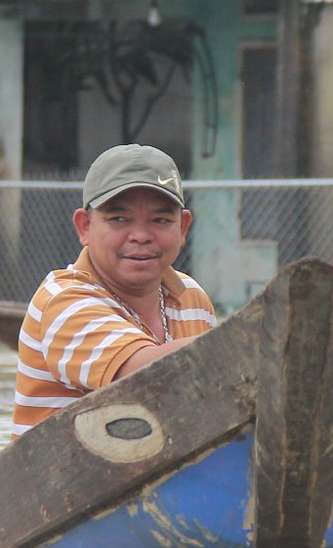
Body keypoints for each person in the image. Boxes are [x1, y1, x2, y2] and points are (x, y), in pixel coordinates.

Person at [12, 144, 218, 437]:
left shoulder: (192, 296)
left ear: (183, 228)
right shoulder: (63, 300)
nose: (141, 236)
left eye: (160, 220)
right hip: (70, 480)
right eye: (119, 219)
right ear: (84, 226)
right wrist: (254, 339)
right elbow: (148, 375)